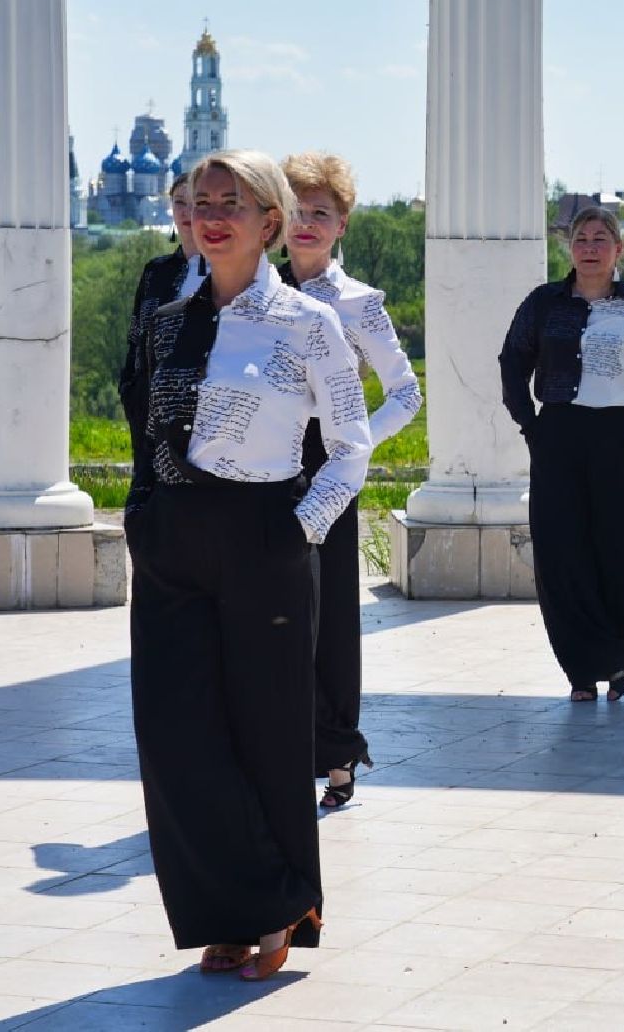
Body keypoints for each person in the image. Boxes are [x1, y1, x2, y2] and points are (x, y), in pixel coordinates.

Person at [122, 148, 373, 981]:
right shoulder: (166, 316)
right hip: (171, 545)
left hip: (265, 538)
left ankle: (279, 909)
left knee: (263, 734)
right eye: (198, 201)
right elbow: (144, 431)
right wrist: (145, 519)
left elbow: (348, 448)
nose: (210, 214)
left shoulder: (309, 323)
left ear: (270, 220)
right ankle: (219, 910)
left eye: (230, 200)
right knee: (175, 736)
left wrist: (298, 530)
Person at [498, 207, 624, 702]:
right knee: (561, 552)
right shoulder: (543, 304)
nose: (589, 247)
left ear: (618, 249)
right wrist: (531, 426)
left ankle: (621, 660)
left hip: (620, 437)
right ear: (570, 248)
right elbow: (512, 362)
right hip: (558, 434)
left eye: (600, 238)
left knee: (615, 549)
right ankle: (580, 669)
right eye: (580, 238)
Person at [279, 152, 422, 808]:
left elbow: (406, 392)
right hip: (260, 469)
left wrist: (354, 442)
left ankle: (336, 755)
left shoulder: (360, 304)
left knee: (330, 617)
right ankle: (272, 752)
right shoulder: (252, 292)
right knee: (268, 615)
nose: (307, 224)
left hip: (330, 468)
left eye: (322, 214)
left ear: (342, 226)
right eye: (297, 211)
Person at [118, 171, 207, 454]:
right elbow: (136, 337)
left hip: (202, 405)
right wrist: (131, 390)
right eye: (180, 202)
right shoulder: (156, 271)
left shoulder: (225, 273)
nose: (187, 212)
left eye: (197, 203)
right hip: (149, 403)